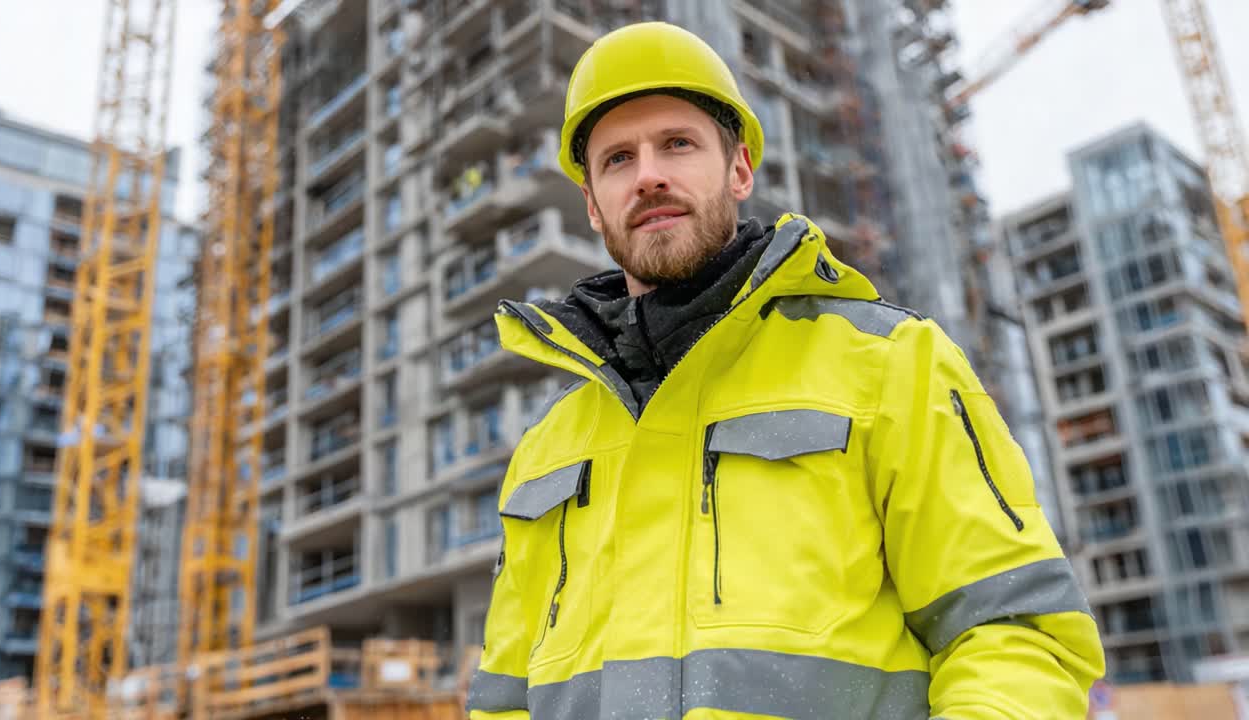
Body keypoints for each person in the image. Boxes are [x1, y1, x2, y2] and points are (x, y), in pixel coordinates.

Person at [466, 21, 1105, 720]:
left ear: (739, 170)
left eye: (677, 143)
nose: (648, 173)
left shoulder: (891, 364)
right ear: (593, 204)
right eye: (618, 159)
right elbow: (502, 700)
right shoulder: (546, 449)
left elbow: (1015, 634)